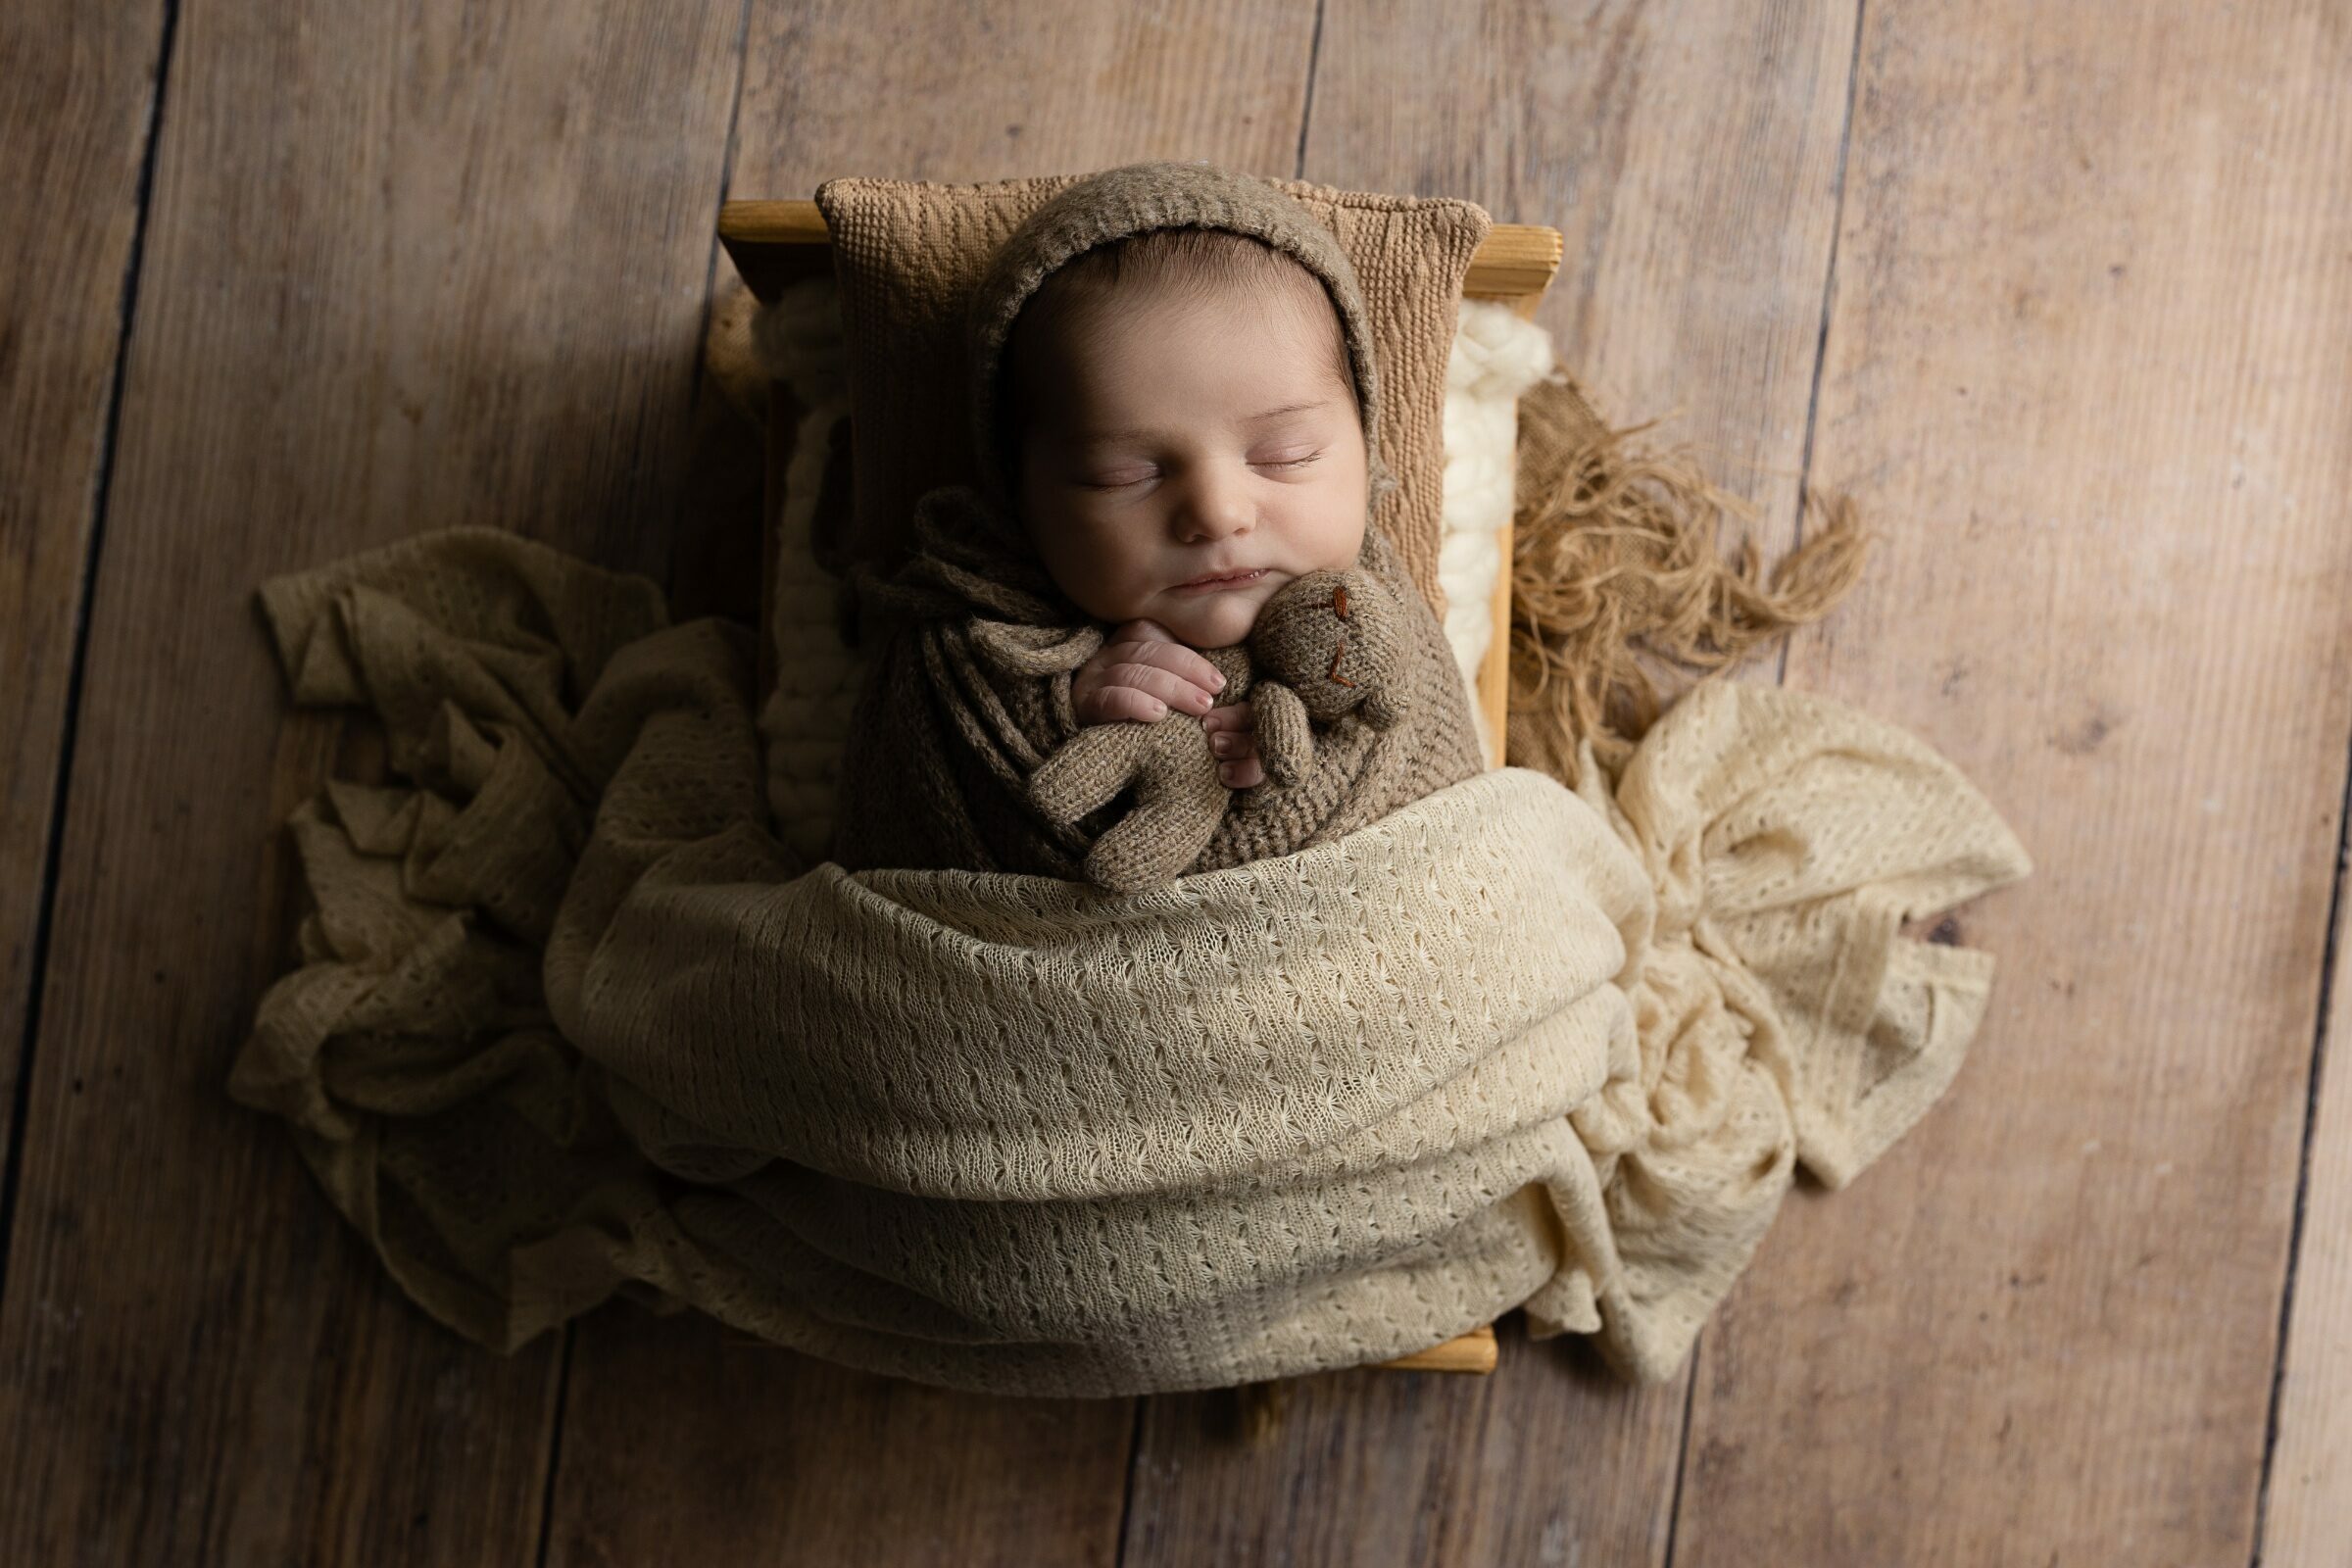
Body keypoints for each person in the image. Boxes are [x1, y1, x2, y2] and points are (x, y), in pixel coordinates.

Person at [828, 160, 1484, 889]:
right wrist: (1060, 714)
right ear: (1021, 500)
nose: (1216, 511)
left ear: (1366, 455)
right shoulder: (967, 642)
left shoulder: (1383, 619)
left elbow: (1451, 827)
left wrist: (1303, 740)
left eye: (1285, 455)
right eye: (1123, 475)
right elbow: (910, 806)